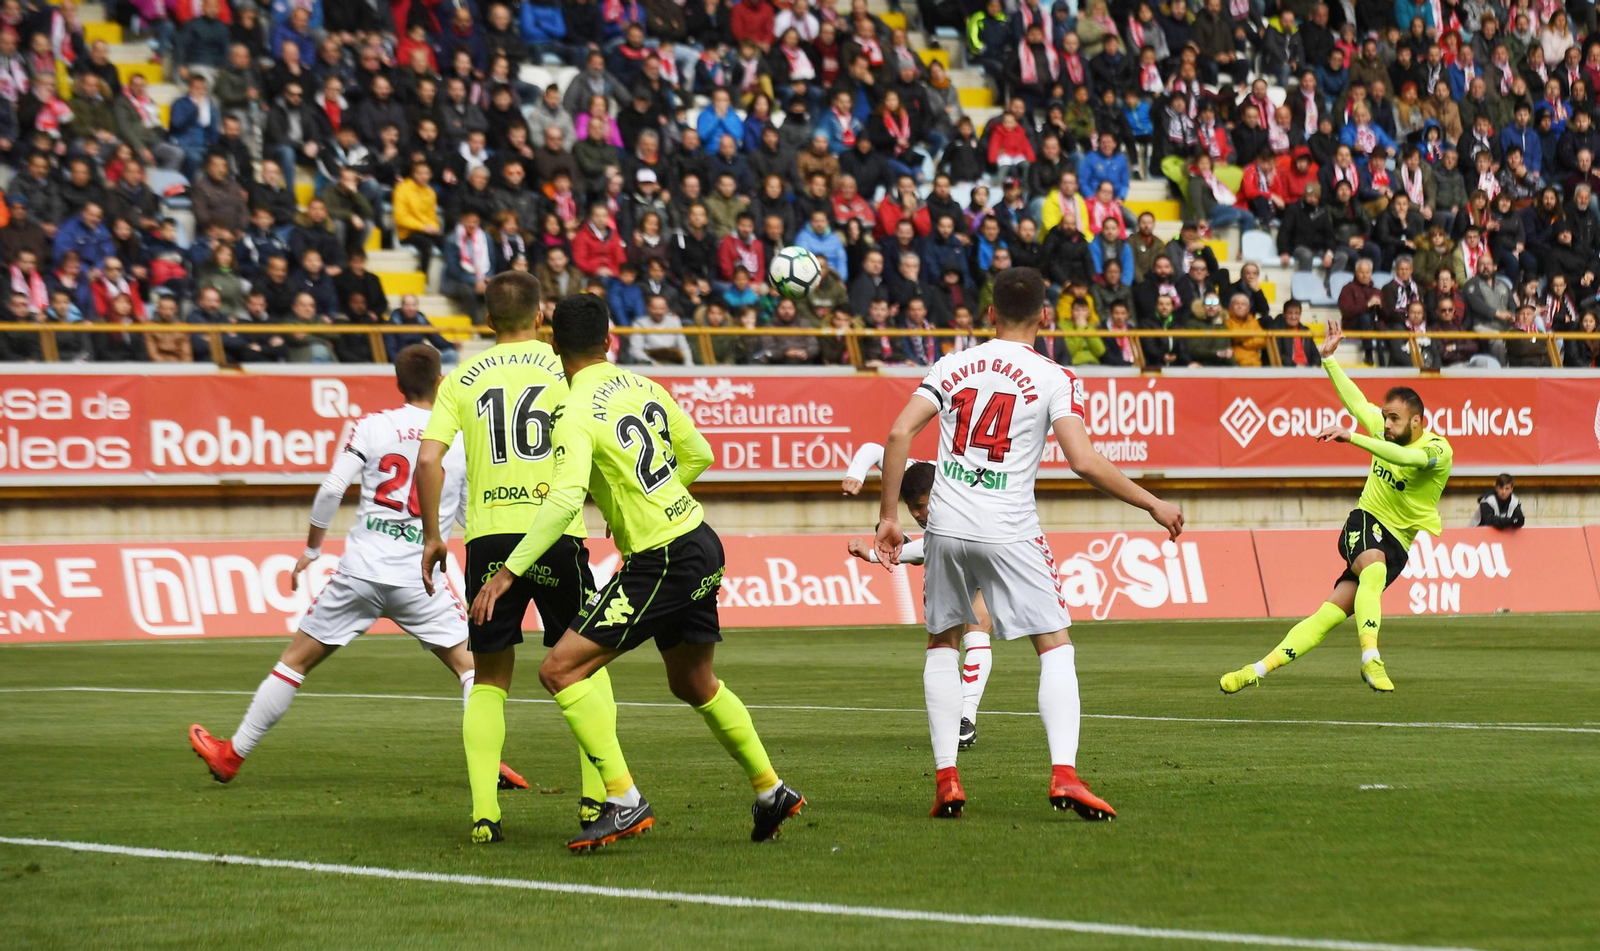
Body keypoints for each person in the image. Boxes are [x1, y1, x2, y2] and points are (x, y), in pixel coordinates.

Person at [470, 292, 806, 850]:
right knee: (693, 681)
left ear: (553, 343)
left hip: (663, 558)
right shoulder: (643, 386)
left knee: (558, 670)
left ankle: (623, 800)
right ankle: (770, 790)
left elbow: (562, 502)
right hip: (700, 541)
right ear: (610, 337)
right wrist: (644, 496)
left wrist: (506, 573)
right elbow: (698, 454)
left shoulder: (572, 408)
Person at [873, 267, 1184, 821]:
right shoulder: (1053, 376)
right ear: (1045, 316)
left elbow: (898, 435)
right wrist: (1152, 503)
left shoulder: (951, 365)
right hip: (1010, 525)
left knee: (942, 644)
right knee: (1054, 646)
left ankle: (948, 780)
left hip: (944, 523)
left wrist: (889, 517)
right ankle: (1064, 775)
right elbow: (1083, 461)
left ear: (989, 314)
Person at [187, 347, 527, 793]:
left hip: (361, 572)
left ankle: (231, 756)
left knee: (295, 662)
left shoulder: (373, 425)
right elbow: (466, 513)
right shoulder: (459, 437)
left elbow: (331, 488)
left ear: (399, 383)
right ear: (441, 382)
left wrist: (312, 548)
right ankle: (490, 761)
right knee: (472, 670)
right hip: (420, 577)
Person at [415, 272, 607, 844]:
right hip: (555, 532)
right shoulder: (565, 367)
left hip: (489, 541)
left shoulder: (460, 379)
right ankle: (599, 801)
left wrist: (432, 534)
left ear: (488, 318)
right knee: (584, 665)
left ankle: (483, 814)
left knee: (490, 678)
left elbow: (429, 463)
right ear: (541, 314)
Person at [1221, 326, 1454, 696]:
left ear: (1417, 422)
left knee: (1328, 615)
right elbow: (1357, 404)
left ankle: (1256, 669)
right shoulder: (1383, 427)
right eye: (1385, 417)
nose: (1386, 425)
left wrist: (1354, 437)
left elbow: (1406, 459)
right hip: (1365, 520)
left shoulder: (1439, 451)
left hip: (1399, 543)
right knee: (1373, 569)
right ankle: (1370, 658)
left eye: (1394, 419)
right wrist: (1328, 359)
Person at [841, 445, 994, 748]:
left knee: (978, 629)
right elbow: (875, 449)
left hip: (984, 549)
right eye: (911, 508)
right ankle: (953, 717)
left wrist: (874, 555)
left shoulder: (963, 494)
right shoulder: (917, 472)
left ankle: (966, 717)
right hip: (945, 559)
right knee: (941, 641)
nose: (916, 513)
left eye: (922, 506)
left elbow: (932, 545)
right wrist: (855, 476)